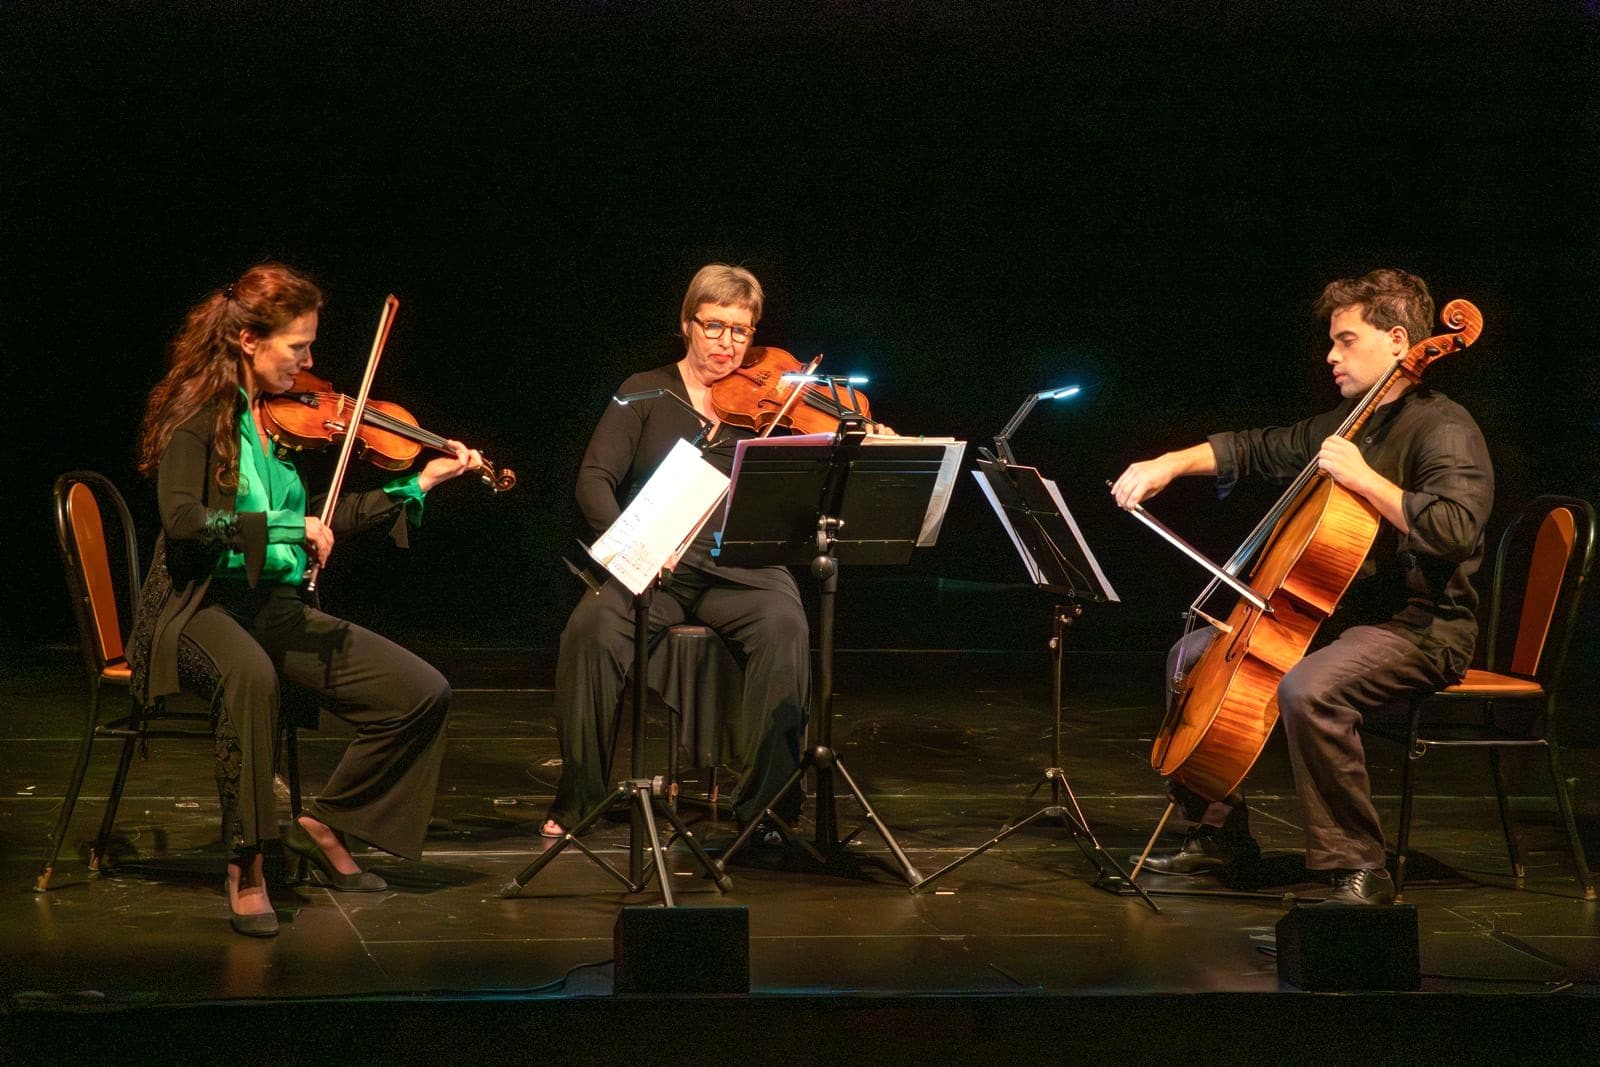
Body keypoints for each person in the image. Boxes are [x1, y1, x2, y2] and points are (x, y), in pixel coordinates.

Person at [1110, 268, 1493, 905]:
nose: (1331, 355)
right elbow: (1258, 448)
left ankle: (1358, 869)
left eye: (1346, 340)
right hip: (1344, 623)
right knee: (1190, 656)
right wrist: (1168, 464)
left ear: (1400, 341)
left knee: (1310, 687)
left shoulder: (1443, 429)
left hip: (1422, 629)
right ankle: (1218, 836)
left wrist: (1368, 481)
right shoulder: (1350, 425)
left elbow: (1455, 529)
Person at [128, 262, 484, 937]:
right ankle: (248, 861)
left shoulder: (270, 423)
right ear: (248, 341)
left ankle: (332, 818)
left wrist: (421, 484)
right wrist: (292, 527)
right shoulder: (198, 418)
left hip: (271, 606)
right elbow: (182, 524)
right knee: (252, 675)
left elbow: (332, 513)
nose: (310, 361)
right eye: (298, 346)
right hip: (197, 606)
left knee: (420, 691)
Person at [543, 263, 811, 842]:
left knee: (786, 624)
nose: (727, 343)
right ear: (687, 324)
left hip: (742, 567)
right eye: (715, 326)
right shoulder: (645, 389)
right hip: (658, 566)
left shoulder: (773, 405)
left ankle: (766, 806)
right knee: (588, 632)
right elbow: (593, 478)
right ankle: (580, 798)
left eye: (741, 331)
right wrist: (632, 546)